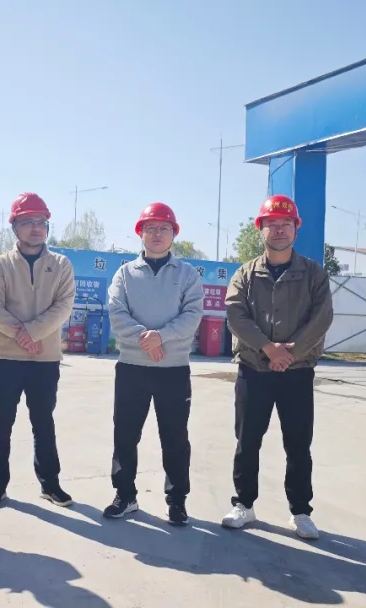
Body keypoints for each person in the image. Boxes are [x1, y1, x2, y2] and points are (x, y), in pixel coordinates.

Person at [221, 194, 334, 540]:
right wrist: (268, 348)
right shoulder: (245, 273)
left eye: (286, 224)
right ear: (261, 229)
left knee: (298, 443)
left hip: (297, 372)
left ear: (296, 229)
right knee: (247, 440)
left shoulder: (313, 274)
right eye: (272, 224)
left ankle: (300, 511)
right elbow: (235, 314)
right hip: (253, 369)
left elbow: (321, 317)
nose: (279, 230)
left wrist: (291, 353)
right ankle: (244, 504)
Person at [103, 202, 204, 525]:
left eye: (164, 228)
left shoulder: (187, 274)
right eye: (151, 228)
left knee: (175, 438)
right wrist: (146, 340)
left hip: (173, 370)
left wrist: (161, 337)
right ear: (140, 233)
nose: (157, 234)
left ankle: (176, 501)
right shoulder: (125, 274)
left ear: (174, 234)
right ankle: (125, 495)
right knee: (125, 434)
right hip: (132, 368)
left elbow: (192, 315)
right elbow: (117, 313)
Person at [0, 192, 76, 510]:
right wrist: (22, 336)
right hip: (6, 357)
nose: (36, 228)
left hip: (45, 358)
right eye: (28, 222)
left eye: (41, 222)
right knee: (1, 422)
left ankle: (50, 484)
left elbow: (63, 306)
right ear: (14, 226)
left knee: (43, 422)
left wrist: (31, 333)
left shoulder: (60, 265)